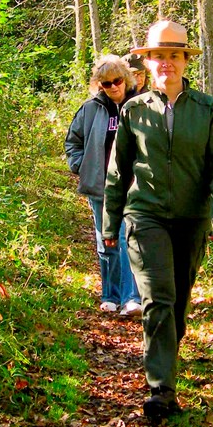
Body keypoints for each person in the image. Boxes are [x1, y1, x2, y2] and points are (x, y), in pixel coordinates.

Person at [102, 20, 213, 420]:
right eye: (159, 56)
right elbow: (118, 169)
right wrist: (110, 223)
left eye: (174, 56)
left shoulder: (206, 109)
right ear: (148, 62)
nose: (167, 64)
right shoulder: (134, 110)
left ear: (184, 60)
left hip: (191, 218)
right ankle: (162, 390)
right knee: (158, 298)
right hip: (146, 215)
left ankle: (166, 367)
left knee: (177, 304)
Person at [65, 55, 142, 317]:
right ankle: (110, 295)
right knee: (105, 241)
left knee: (127, 238)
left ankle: (132, 297)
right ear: (100, 85)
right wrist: (81, 165)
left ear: (126, 78)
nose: (113, 87)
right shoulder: (91, 109)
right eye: (106, 83)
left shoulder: (141, 105)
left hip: (133, 187)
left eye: (117, 81)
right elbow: (73, 141)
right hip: (100, 187)